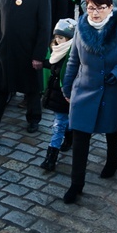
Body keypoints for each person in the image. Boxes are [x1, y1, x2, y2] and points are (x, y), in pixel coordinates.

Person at [61, 0, 117, 204]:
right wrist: (67, 88)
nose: (95, 13)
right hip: (85, 88)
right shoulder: (81, 29)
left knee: (112, 130)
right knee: (80, 136)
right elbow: (73, 60)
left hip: (113, 90)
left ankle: (113, 160)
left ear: (111, 8)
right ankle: (76, 183)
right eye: (91, 8)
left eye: (101, 8)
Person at [0, 0, 52, 139]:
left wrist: (39, 55)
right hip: (5, 51)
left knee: (31, 88)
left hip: (29, 51)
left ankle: (33, 118)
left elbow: (44, 26)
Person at [40, 18, 76, 172]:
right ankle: (70, 137)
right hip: (55, 95)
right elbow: (52, 65)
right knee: (63, 122)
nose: (58, 40)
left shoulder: (71, 54)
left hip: (65, 96)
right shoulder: (57, 51)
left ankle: (51, 157)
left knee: (58, 125)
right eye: (56, 37)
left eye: (62, 38)